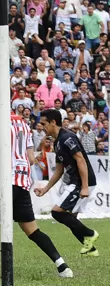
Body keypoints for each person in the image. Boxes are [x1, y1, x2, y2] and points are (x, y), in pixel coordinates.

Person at [10, 112, 72, 277]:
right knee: (33, 230)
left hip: (6, 180)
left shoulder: (3, 122)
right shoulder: (23, 124)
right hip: (22, 180)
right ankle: (62, 266)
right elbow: (31, 158)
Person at [33, 110, 100, 257]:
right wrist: (45, 189)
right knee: (70, 218)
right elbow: (59, 170)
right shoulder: (57, 142)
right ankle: (90, 248)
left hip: (80, 182)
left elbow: (80, 160)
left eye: (44, 124)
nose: (42, 127)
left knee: (57, 213)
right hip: (77, 182)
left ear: (53, 122)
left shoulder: (67, 138)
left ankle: (90, 233)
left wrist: (84, 186)